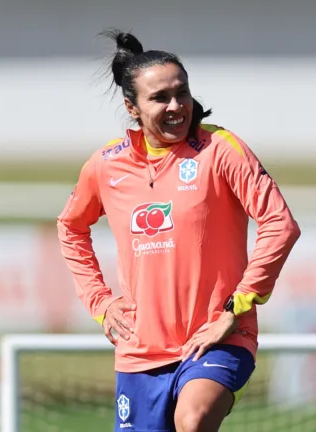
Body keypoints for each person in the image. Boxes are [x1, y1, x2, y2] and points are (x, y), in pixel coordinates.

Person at [56, 29, 301, 432]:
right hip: (140, 351)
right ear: (132, 108)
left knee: (193, 420)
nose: (176, 106)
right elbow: (70, 228)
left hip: (218, 337)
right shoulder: (105, 166)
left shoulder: (219, 149)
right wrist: (100, 303)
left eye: (181, 92)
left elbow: (280, 224)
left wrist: (235, 308)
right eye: (160, 98)